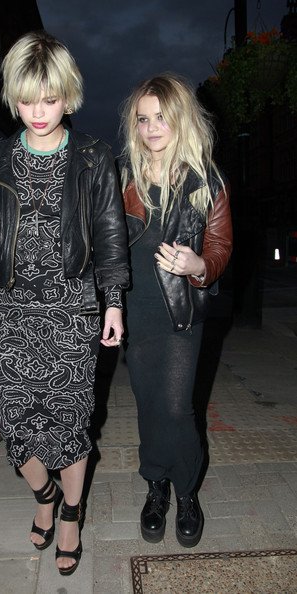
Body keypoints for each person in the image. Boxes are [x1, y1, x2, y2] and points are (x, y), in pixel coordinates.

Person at [0, 30, 129, 575]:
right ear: (13, 98)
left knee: (70, 423)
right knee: (15, 423)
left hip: (73, 311)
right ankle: (44, 494)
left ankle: (70, 512)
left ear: (68, 95)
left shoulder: (94, 157)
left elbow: (111, 237)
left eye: (50, 99)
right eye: (27, 101)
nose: (39, 112)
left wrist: (113, 302)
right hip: (15, 313)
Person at [117, 74, 233, 548]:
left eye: (161, 117)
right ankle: (155, 485)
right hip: (134, 309)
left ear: (181, 118)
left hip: (180, 311)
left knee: (177, 407)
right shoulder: (124, 177)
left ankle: (185, 491)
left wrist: (198, 265)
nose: (151, 128)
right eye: (143, 119)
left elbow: (221, 247)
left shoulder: (207, 180)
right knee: (149, 405)